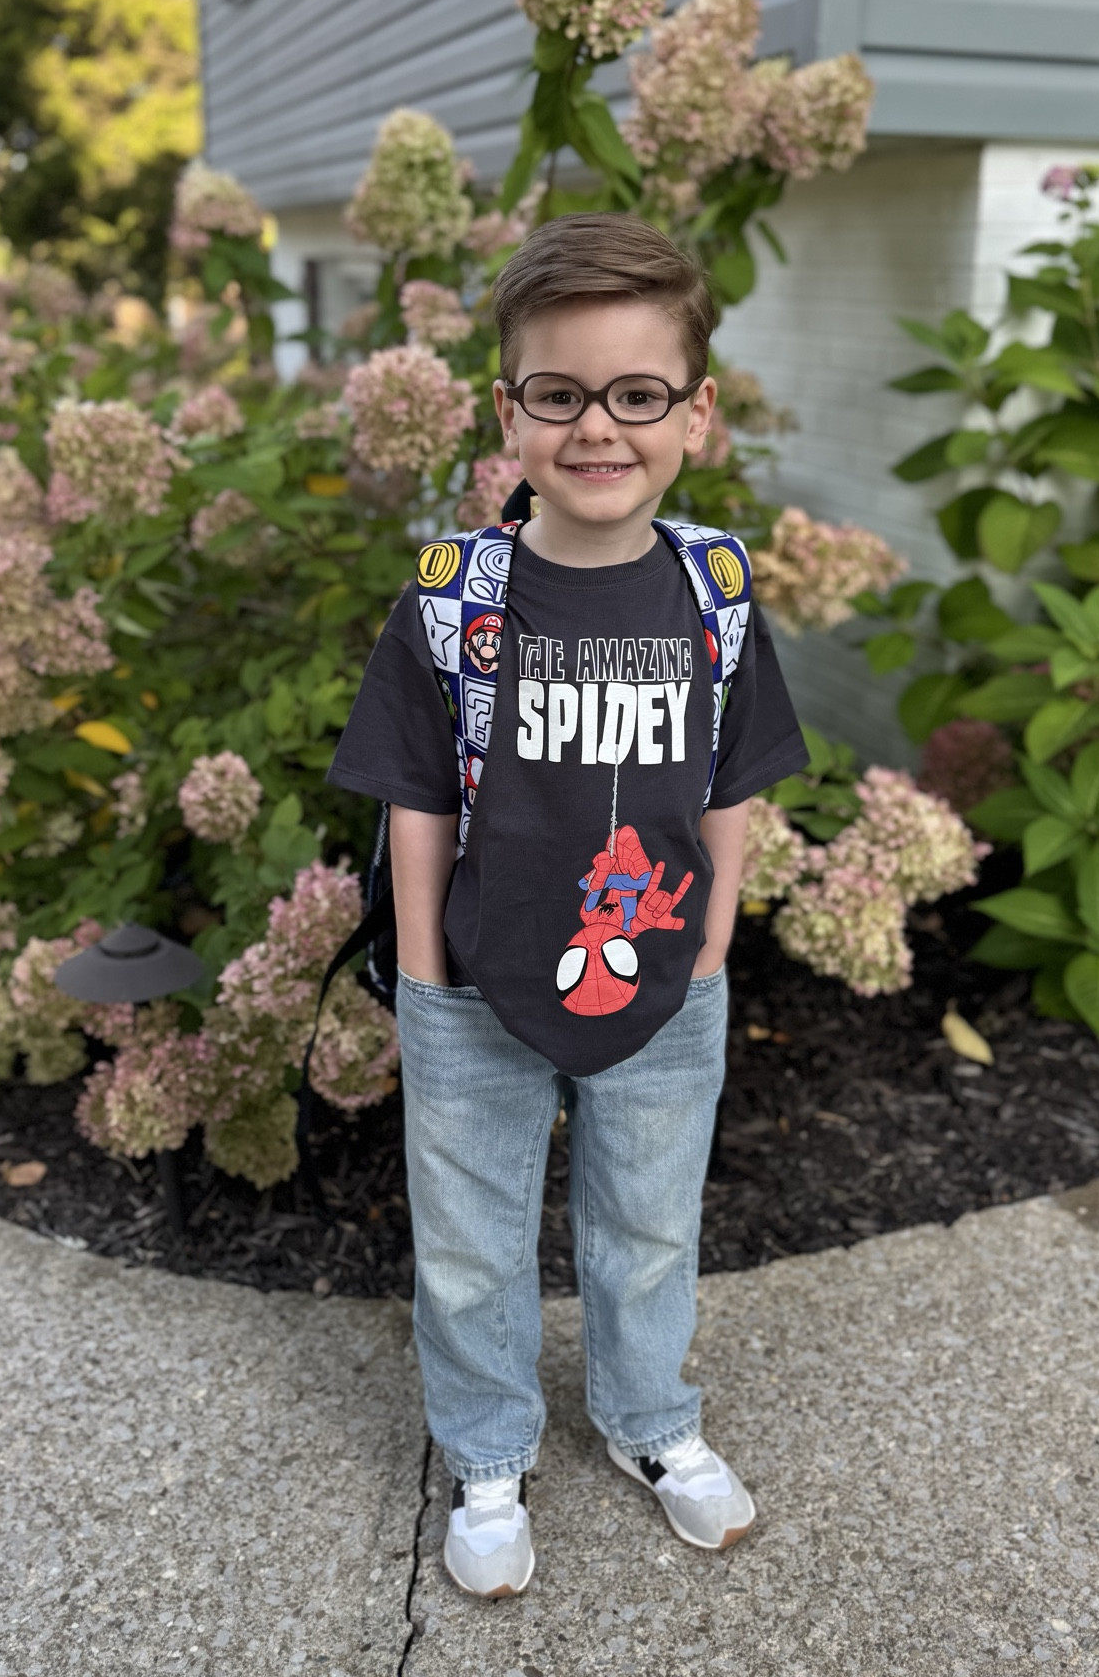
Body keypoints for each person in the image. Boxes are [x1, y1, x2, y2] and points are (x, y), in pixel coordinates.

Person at [328, 214, 809, 1598]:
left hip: (665, 980)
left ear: (695, 413)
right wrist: (427, 977)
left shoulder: (714, 591)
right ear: (509, 411)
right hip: (477, 985)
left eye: (638, 393)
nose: (599, 426)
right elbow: (418, 797)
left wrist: (713, 940)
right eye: (560, 393)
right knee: (470, 1247)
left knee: (649, 1227)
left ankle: (652, 1421)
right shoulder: (452, 603)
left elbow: (733, 778)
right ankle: (487, 1455)